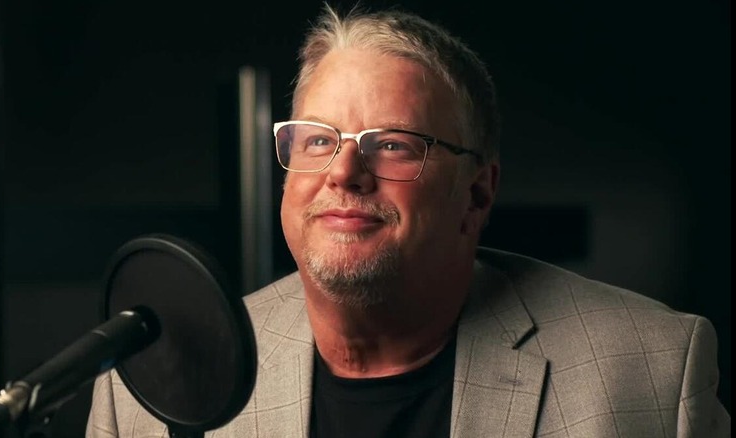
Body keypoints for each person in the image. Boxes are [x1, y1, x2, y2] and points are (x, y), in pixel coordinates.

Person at [86, 3, 730, 437]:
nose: (344, 172)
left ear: (476, 195)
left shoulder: (649, 372)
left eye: (392, 143)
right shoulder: (149, 395)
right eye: (317, 140)